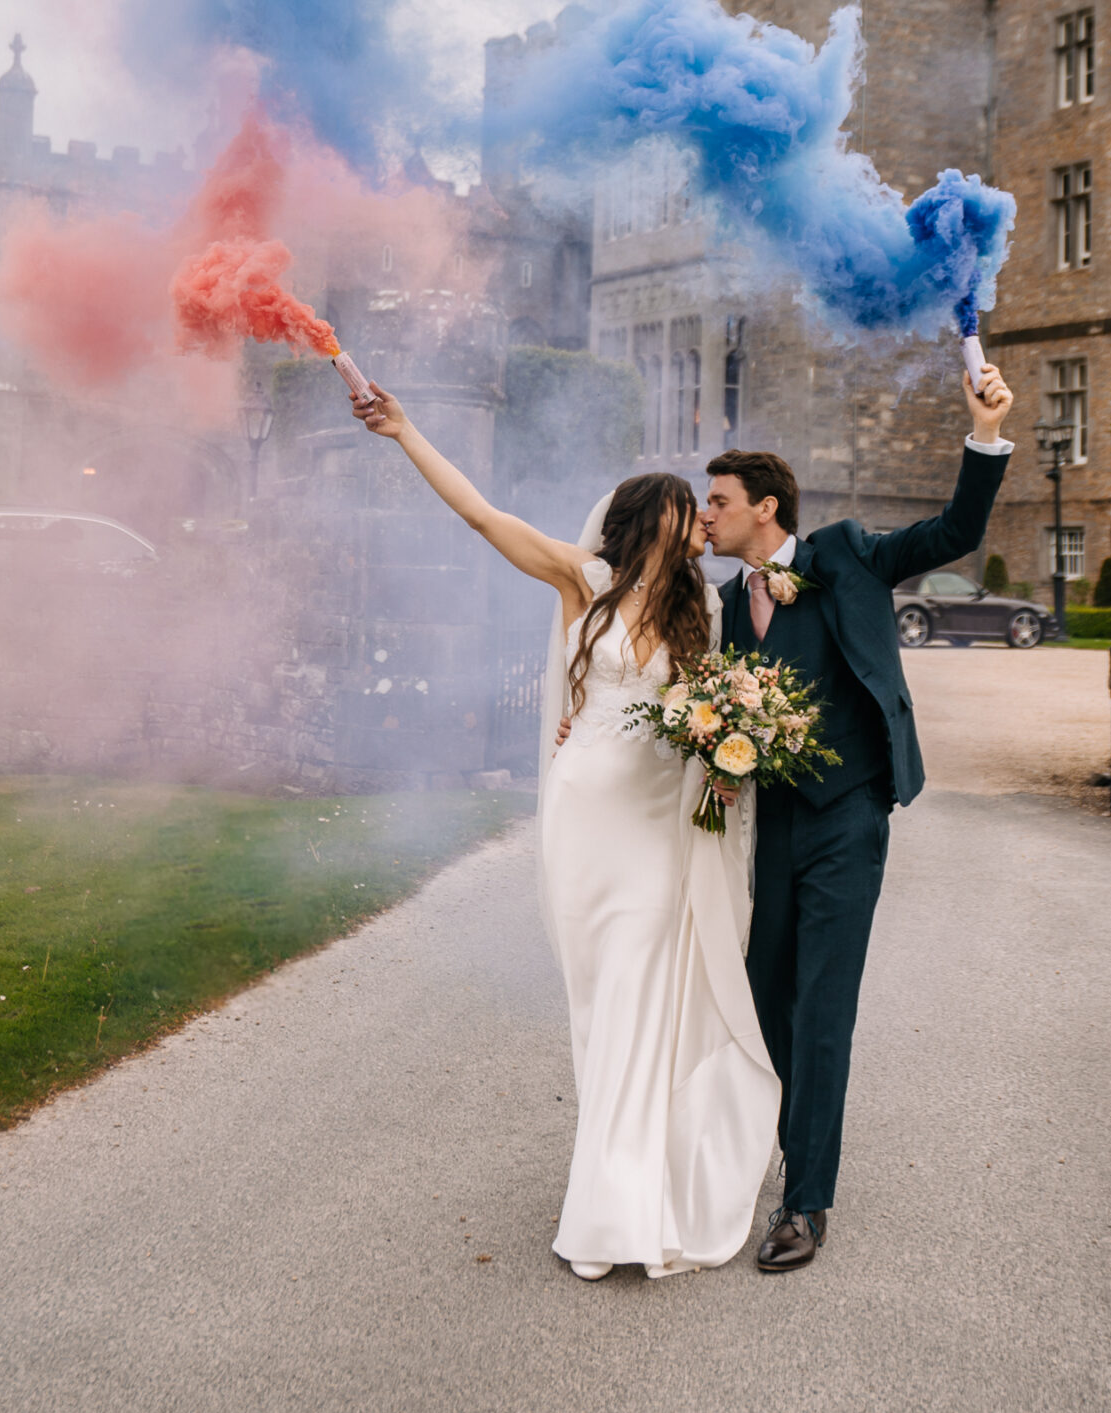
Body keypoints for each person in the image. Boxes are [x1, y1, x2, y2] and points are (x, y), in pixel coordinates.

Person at [349, 377, 779, 1282]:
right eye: (684, 510)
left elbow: (715, 709)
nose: (701, 520)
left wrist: (734, 744)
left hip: (662, 829)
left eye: (705, 510)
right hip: (587, 821)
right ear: (645, 523)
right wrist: (404, 431)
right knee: (600, 1008)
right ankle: (615, 1191)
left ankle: (618, 1210)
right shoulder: (580, 580)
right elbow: (479, 515)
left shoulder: (698, 613)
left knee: (639, 1000)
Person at [702, 359, 1015, 1272]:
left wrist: (985, 433)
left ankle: (805, 1202)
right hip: (772, 825)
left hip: (847, 818)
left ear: (765, 507)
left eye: (718, 500)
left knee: (821, 1007)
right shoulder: (724, 605)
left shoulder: (844, 552)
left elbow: (955, 529)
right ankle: (782, 1150)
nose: (707, 513)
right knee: (764, 999)